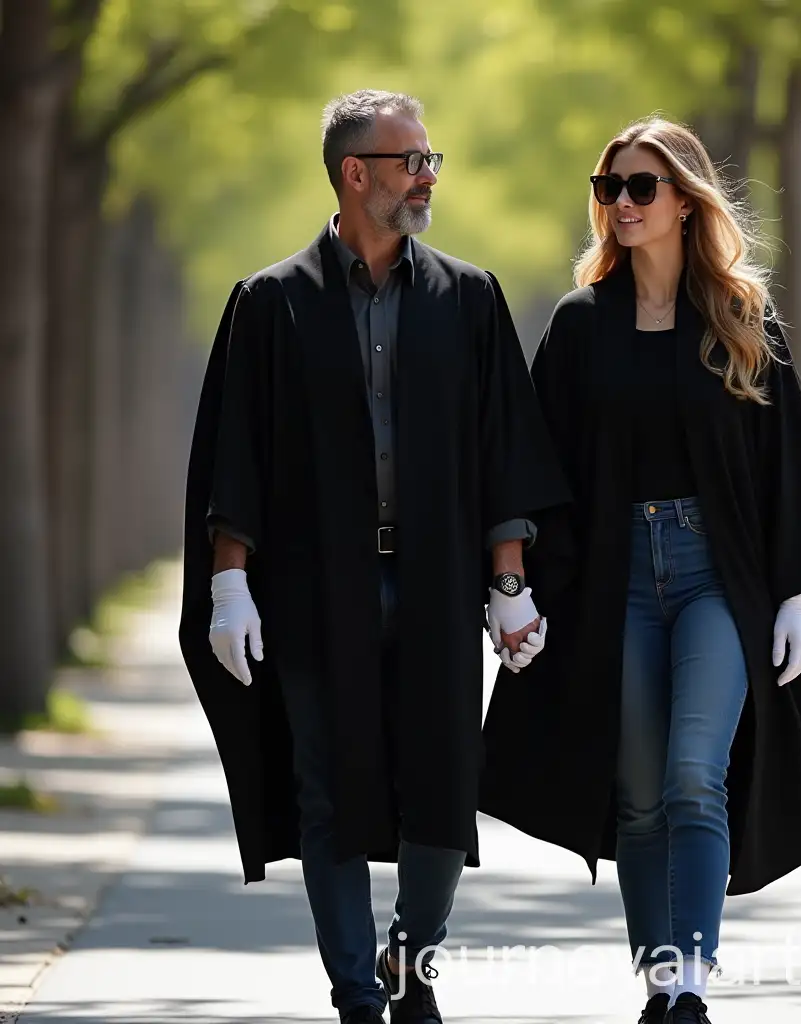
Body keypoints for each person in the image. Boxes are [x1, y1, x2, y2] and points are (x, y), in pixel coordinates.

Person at [178, 90, 568, 1024]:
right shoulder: (269, 304)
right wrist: (231, 581)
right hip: (318, 587)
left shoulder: (468, 299)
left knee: (443, 784)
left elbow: (502, 448)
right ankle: (355, 990)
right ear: (356, 175)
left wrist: (509, 584)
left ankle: (413, 963)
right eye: (411, 163)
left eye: (432, 160)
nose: (428, 177)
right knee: (329, 788)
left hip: (436, 583)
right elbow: (240, 453)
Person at [480, 117, 801, 1024]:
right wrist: (512, 583)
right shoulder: (578, 327)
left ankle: (691, 977)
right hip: (614, 577)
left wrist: (797, 592)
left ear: (686, 200)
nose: (622, 205)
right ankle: (657, 982)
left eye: (641, 187)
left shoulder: (739, 317)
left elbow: (783, 458)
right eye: (609, 188)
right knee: (638, 793)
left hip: (716, 573)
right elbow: (530, 460)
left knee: (695, 772)